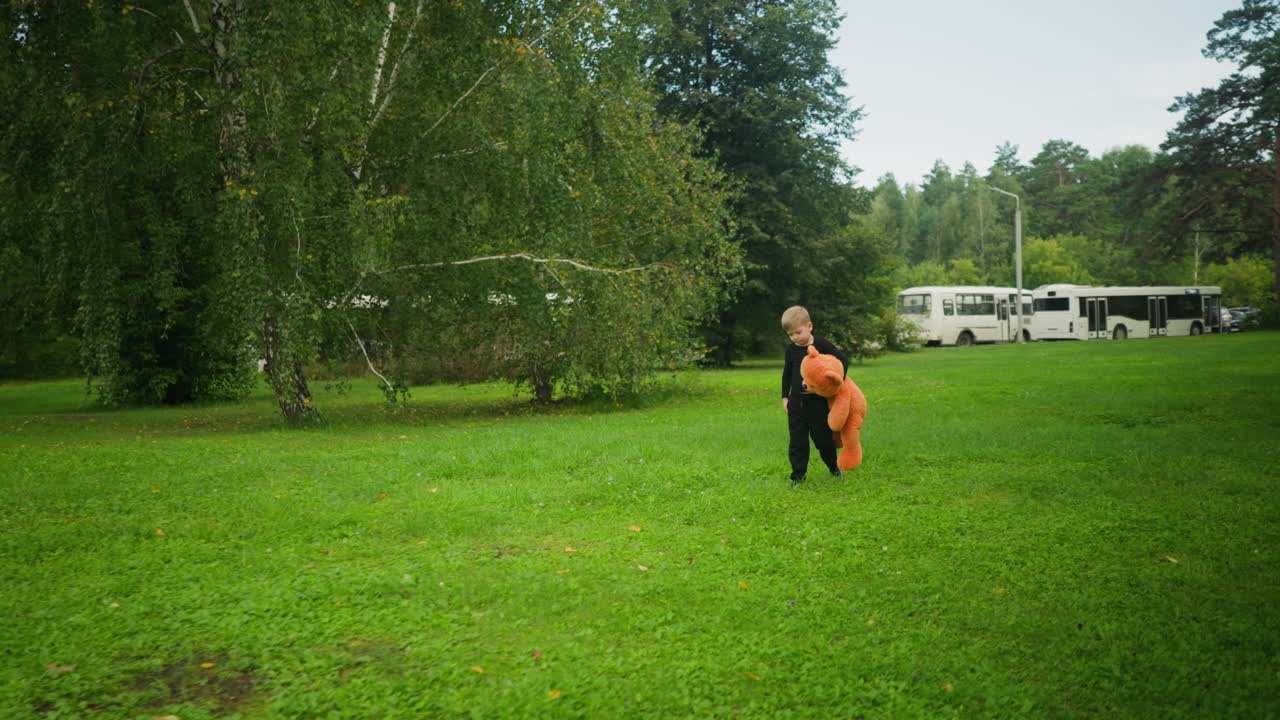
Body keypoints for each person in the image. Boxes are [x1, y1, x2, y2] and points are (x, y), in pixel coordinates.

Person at [780, 306, 849, 487]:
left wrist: (836, 383)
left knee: (823, 440)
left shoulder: (822, 344)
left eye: (798, 332)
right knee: (797, 442)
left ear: (809, 326)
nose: (795, 337)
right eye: (790, 335)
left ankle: (834, 467)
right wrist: (784, 397)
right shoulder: (791, 350)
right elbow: (787, 374)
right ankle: (798, 477)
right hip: (796, 404)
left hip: (817, 403)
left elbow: (842, 361)